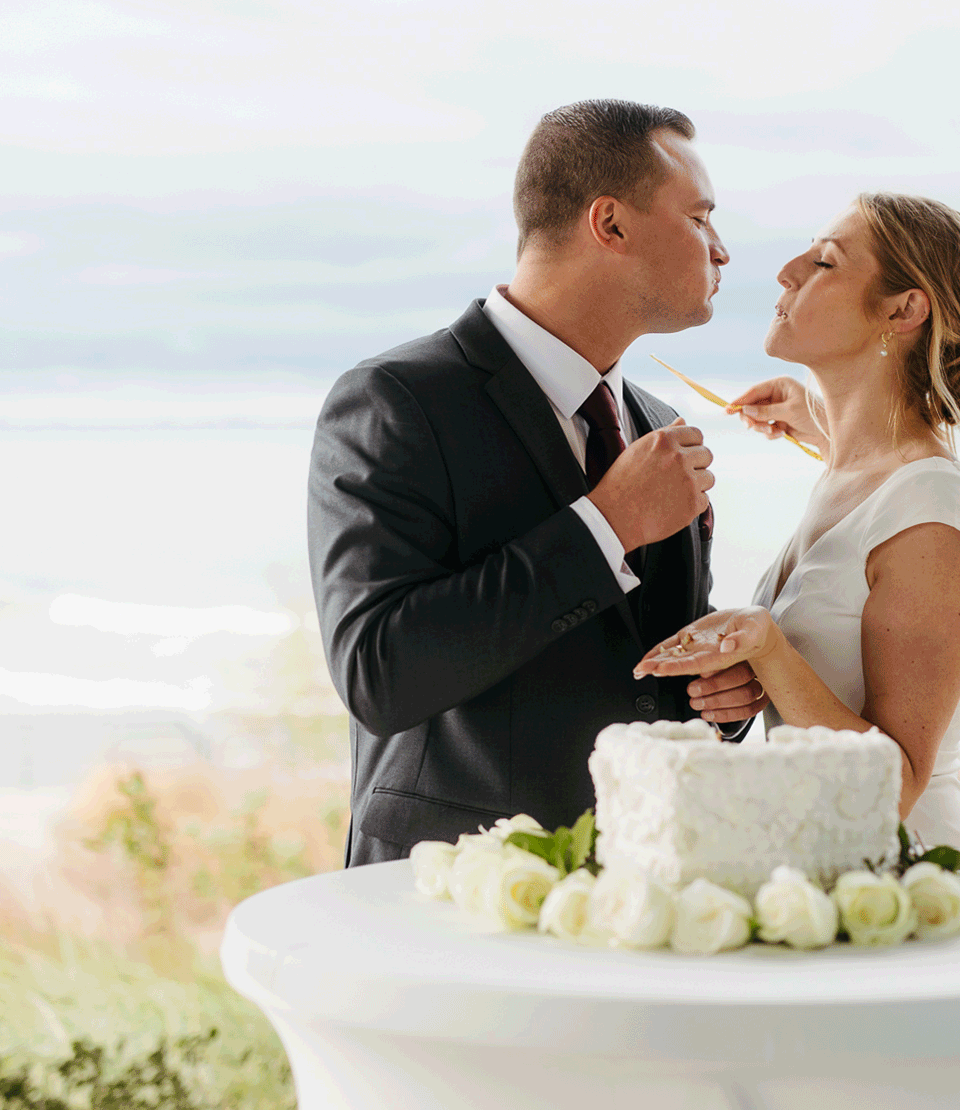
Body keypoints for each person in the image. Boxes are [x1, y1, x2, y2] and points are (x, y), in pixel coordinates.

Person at [309, 100, 767, 866]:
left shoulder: (655, 423)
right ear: (610, 224)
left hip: (643, 882)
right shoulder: (395, 399)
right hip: (456, 894)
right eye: (699, 218)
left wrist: (720, 696)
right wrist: (606, 525)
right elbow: (376, 672)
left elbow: (635, 662)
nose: (722, 252)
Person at [635, 193, 960, 851]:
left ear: (902, 310)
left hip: (905, 881)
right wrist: (825, 426)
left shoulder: (932, 520)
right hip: (824, 865)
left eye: (823, 261)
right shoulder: (857, 476)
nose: (787, 271)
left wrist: (768, 649)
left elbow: (896, 785)